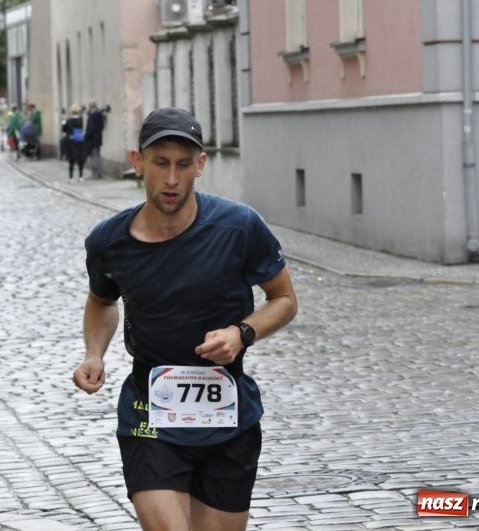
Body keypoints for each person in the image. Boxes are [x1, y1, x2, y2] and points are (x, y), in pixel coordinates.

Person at [72, 107, 298, 531]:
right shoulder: (109, 241)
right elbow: (102, 300)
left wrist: (242, 333)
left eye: (182, 165)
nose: (172, 179)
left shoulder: (240, 227)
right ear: (138, 162)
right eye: (160, 163)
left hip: (228, 417)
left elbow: (284, 298)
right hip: (148, 412)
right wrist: (94, 352)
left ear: (200, 165)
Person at [61, 104, 86, 181]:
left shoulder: (69, 121)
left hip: (71, 141)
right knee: (80, 158)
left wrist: (63, 121)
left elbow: (63, 130)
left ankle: (71, 177)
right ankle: (81, 176)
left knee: (71, 159)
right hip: (79, 140)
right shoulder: (81, 119)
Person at [85, 101, 107, 179]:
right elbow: (101, 127)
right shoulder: (99, 114)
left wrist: (86, 136)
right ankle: (99, 172)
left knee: (94, 156)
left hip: (92, 139)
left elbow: (90, 128)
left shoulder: (92, 115)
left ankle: (95, 173)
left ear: (90, 106)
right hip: (98, 138)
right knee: (97, 155)